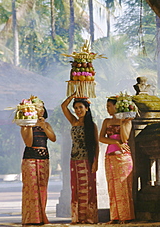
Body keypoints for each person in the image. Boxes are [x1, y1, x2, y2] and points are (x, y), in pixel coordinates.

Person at [61, 94, 99, 224]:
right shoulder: (74, 121)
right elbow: (63, 106)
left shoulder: (92, 125)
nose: (78, 110)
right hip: (74, 160)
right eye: (76, 108)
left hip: (87, 160)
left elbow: (96, 144)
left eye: (80, 107)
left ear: (87, 108)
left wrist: (95, 162)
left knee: (88, 189)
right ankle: (77, 218)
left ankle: (89, 218)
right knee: (76, 188)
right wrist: (72, 96)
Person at [20, 97, 56, 225]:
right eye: (37, 107)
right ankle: (31, 218)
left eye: (41, 107)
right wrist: (30, 124)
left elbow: (53, 138)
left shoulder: (46, 124)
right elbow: (29, 143)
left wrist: (43, 126)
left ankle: (41, 217)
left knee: (42, 188)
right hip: (30, 158)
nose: (40, 110)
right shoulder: (24, 126)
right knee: (31, 188)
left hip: (44, 159)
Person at [99, 97, 135, 224]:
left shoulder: (127, 121)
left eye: (109, 106)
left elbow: (125, 138)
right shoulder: (106, 121)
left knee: (123, 186)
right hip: (110, 156)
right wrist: (115, 142)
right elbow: (101, 138)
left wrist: (121, 122)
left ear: (117, 107)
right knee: (112, 187)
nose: (108, 108)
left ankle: (125, 216)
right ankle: (114, 217)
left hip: (123, 157)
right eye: (107, 106)